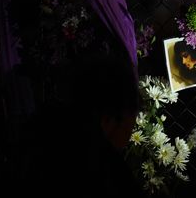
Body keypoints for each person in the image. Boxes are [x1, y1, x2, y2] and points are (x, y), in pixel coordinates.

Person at [22, 53, 144, 196]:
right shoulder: (105, 172)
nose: (131, 132)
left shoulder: (40, 140)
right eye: (130, 122)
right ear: (110, 118)